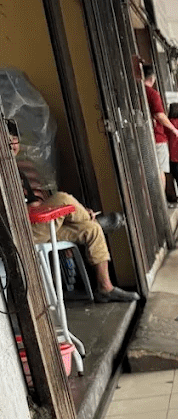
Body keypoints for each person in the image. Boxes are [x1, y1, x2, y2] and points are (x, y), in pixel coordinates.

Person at [8, 120, 137, 303]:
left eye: (15, 139)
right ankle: (90, 218)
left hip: (40, 226)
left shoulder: (21, 169)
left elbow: (36, 199)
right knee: (63, 198)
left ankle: (105, 288)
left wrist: (39, 205)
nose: (12, 144)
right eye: (6, 140)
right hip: (20, 232)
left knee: (91, 230)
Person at [140, 63, 177, 202]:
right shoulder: (152, 93)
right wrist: (173, 129)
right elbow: (159, 115)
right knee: (160, 171)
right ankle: (160, 201)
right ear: (153, 78)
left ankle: (148, 200)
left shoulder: (136, 93)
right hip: (157, 137)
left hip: (142, 139)